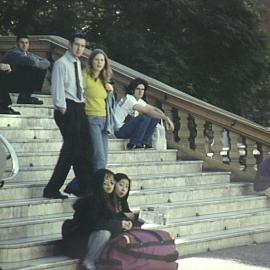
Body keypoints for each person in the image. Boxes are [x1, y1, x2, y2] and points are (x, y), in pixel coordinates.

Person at [43, 32, 93, 199]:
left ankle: (87, 189)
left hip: (79, 108)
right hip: (68, 109)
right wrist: (64, 111)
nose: (80, 48)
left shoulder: (78, 63)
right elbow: (57, 91)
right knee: (70, 151)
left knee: (85, 150)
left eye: (83, 46)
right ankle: (51, 189)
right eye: (77, 45)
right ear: (69, 45)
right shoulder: (61, 64)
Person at [62, 169, 134, 270]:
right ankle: (88, 262)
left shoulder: (110, 200)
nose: (109, 186)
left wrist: (125, 223)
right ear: (98, 184)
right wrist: (119, 224)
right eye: (105, 183)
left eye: (112, 183)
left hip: (89, 238)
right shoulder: (92, 200)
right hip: (77, 240)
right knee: (104, 233)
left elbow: (113, 218)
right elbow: (95, 223)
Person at [114, 78, 175, 149]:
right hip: (118, 131)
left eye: (142, 89)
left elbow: (155, 109)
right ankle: (135, 143)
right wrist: (166, 119)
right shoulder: (129, 99)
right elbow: (148, 111)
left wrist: (166, 117)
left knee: (154, 117)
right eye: (138, 89)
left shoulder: (138, 100)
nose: (140, 92)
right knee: (144, 118)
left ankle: (144, 143)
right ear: (133, 90)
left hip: (126, 128)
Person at [0, 34, 50, 113]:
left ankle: (25, 97)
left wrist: (37, 63)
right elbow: (29, 61)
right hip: (8, 82)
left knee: (38, 68)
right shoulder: (13, 53)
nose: (24, 45)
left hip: (18, 81)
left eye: (26, 43)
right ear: (17, 44)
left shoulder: (29, 54)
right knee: (32, 68)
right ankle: (21, 98)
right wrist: (37, 62)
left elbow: (46, 62)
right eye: (22, 43)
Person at [84, 49, 114, 172]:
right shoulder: (85, 77)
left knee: (104, 157)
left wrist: (110, 92)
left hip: (105, 120)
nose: (99, 62)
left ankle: (97, 183)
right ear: (91, 61)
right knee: (99, 156)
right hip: (91, 118)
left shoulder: (104, 80)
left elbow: (107, 102)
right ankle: (98, 185)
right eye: (97, 59)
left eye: (102, 60)